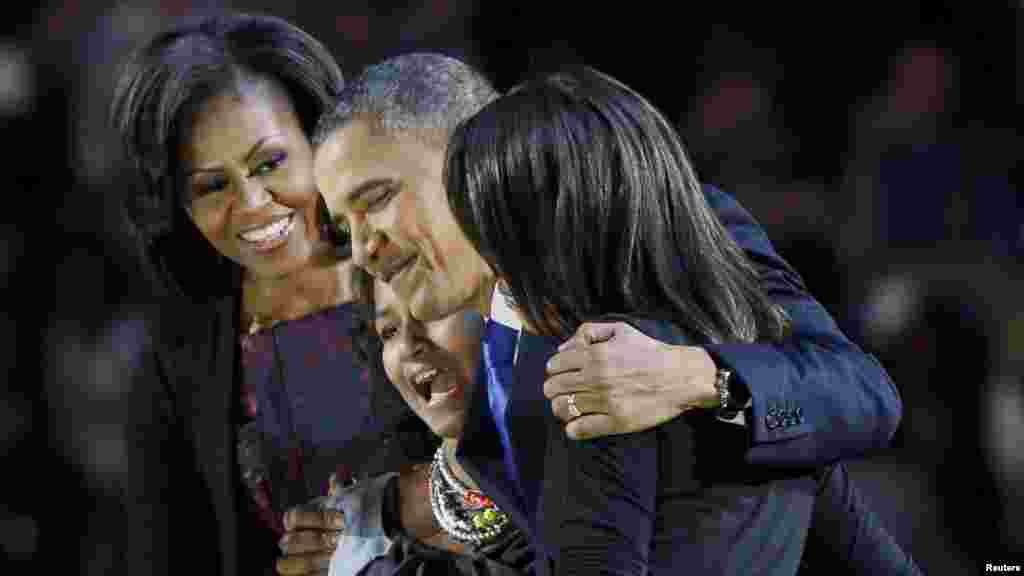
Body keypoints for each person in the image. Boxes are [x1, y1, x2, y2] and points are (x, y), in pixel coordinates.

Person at [308, 53, 901, 572]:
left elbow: (860, 396)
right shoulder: (441, 321)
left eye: (377, 199)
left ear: (471, 149)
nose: (363, 249)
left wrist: (698, 378)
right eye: (344, 225)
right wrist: (400, 513)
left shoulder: (665, 230)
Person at [325, 269, 921, 575]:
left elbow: (867, 397)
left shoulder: (611, 409)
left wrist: (704, 380)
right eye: (385, 330)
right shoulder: (379, 495)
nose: (411, 348)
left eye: (431, 310)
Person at [108, 13, 424, 575]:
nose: (253, 203)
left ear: (318, 137)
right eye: (212, 186)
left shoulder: (419, 274)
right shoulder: (178, 355)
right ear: (178, 205)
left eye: (270, 162)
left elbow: (516, 477)